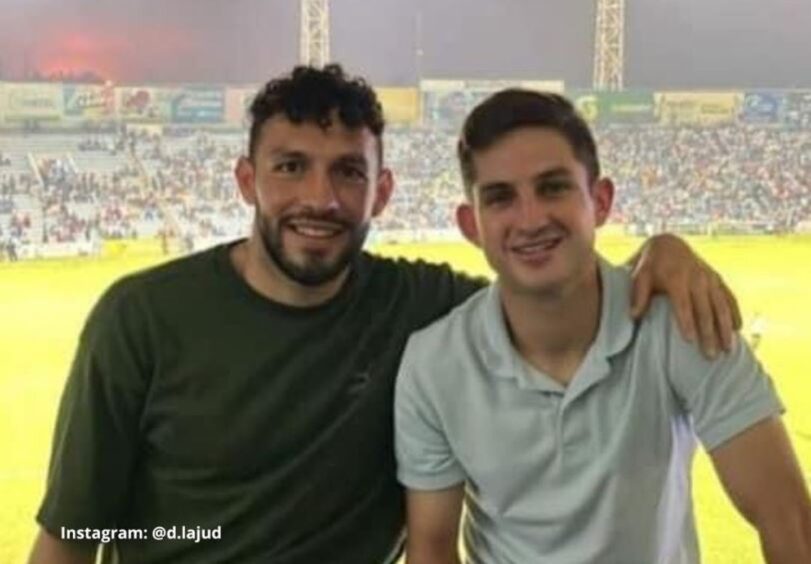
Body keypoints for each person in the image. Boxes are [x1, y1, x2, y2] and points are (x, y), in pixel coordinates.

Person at [30, 65, 740, 564]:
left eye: (348, 172)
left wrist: (661, 250)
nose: (320, 197)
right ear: (246, 180)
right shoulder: (141, 318)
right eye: (289, 167)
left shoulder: (422, 309)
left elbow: (551, 282)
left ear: (383, 192)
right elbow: (70, 535)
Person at [394, 90, 811, 563]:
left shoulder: (684, 320)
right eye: (500, 198)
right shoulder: (433, 364)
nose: (530, 219)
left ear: (601, 200)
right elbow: (431, 548)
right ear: (471, 225)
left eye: (553, 187)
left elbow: (787, 516)